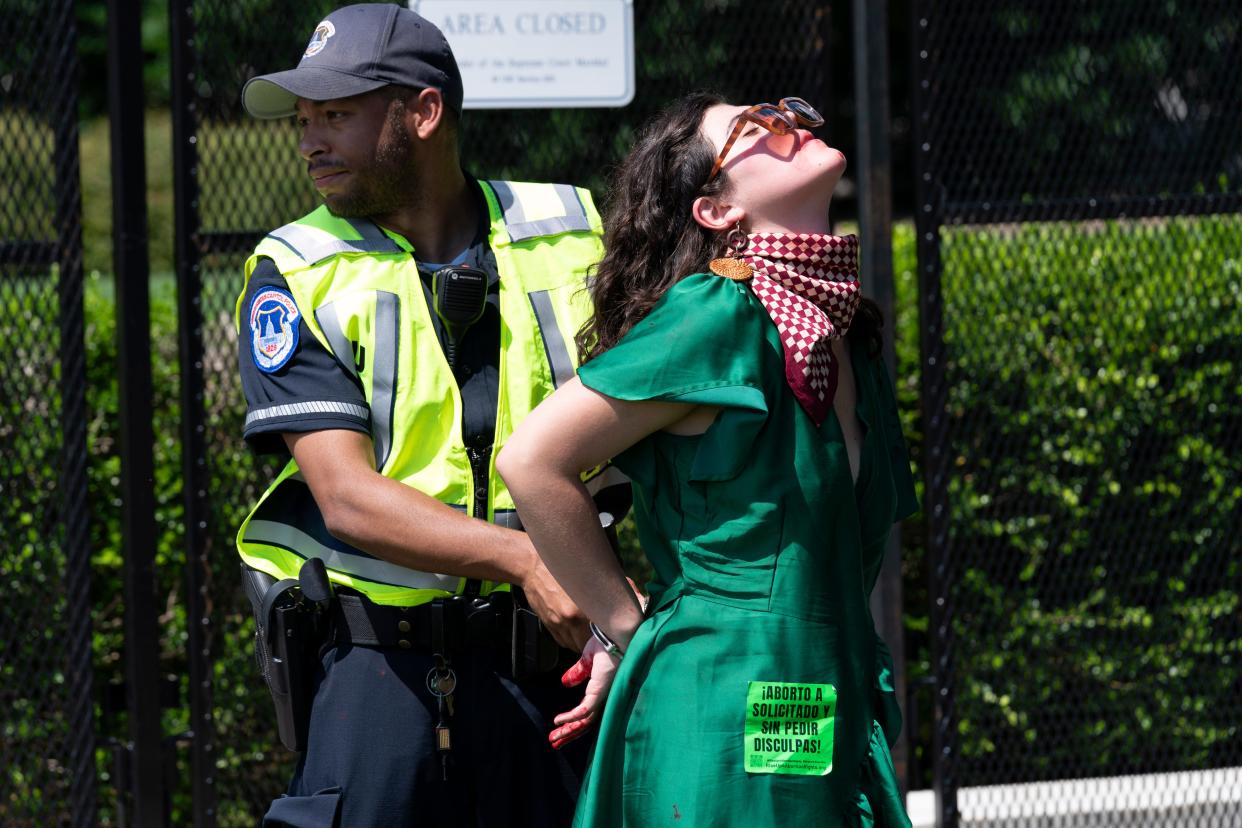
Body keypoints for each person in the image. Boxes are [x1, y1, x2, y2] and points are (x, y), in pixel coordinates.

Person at [232, 5, 626, 825]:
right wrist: (527, 559)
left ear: (423, 112)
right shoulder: (293, 269)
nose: (310, 141)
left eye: (336, 115)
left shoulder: (579, 230)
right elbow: (346, 497)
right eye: (304, 120)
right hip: (383, 673)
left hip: (557, 670)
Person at [498, 91, 919, 827]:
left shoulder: (848, 335)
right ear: (715, 211)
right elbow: (532, 461)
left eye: (784, 113)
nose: (788, 126)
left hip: (820, 696)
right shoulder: (717, 313)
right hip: (721, 704)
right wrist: (628, 631)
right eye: (755, 129)